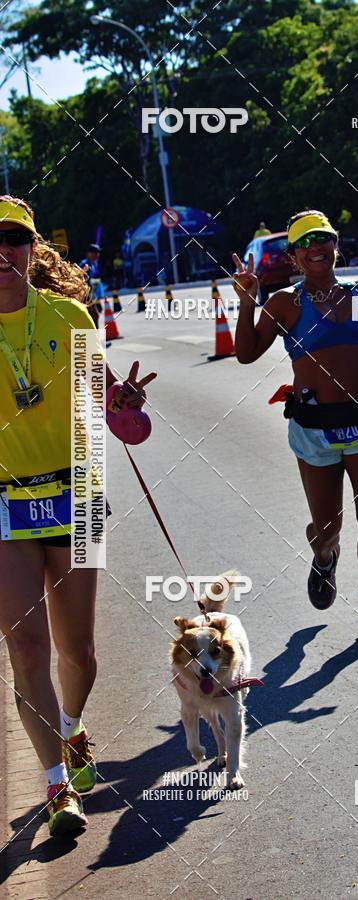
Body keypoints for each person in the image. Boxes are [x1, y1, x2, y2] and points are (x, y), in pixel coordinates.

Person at [0, 195, 156, 835]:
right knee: (26, 648)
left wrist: (122, 401)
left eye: (13, 238)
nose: (0, 251)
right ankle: (57, 785)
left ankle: (71, 727)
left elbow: (104, 397)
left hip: (76, 497)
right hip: (5, 504)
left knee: (78, 652)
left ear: (32, 249)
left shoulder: (67, 315)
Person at [233, 209, 358, 638]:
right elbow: (246, 353)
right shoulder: (285, 302)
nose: (316, 248)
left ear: (335, 245)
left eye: (323, 239)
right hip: (315, 429)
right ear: (293, 258)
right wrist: (247, 301)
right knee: (327, 527)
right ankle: (324, 556)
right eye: (305, 243)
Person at [78, 243, 103, 325]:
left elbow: (93, 282)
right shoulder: (84, 265)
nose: (97, 255)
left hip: (89, 295)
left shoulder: (94, 264)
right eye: (95, 253)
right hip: (82, 296)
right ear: (89, 253)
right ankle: (94, 336)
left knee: (94, 316)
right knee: (93, 316)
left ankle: (95, 336)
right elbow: (79, 280)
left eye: (98, 253)